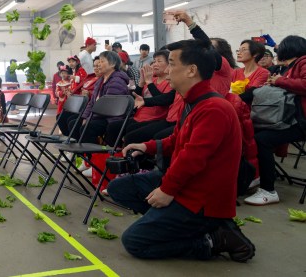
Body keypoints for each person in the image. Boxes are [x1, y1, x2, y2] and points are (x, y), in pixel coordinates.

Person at [107, 39, 255, 262]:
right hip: (186, 184)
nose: (166, 70)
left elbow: (192, 158)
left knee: (134, 242)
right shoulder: (192, 102)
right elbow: (177, 140)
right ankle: (177, 224)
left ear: (191, 70)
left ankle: (213, 239)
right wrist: (146, 147)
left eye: (172, 63)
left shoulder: (213, 108)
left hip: (201, 198)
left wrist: (167, 191)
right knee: (119, 188)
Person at [245, 35, 306, 206]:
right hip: (291, 118)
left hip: (300, 122)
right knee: (251, 131)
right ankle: (255, 177)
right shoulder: (294, 65)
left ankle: (268, 190)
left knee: (262, 140)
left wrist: (280, 81)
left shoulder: (303, 62)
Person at [70, 51, 129, 145]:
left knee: (87, 128)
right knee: (74, 123)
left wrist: (89, 119)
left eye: (102, 62)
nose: (99, 65)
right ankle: (80, 155)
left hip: (111, 119)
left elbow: (108, 108)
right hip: (99, 115)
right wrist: (85, 117)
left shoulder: (117, 81)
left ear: (112, 64)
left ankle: (91, 156)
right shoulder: (100, 80)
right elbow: (92, 103)